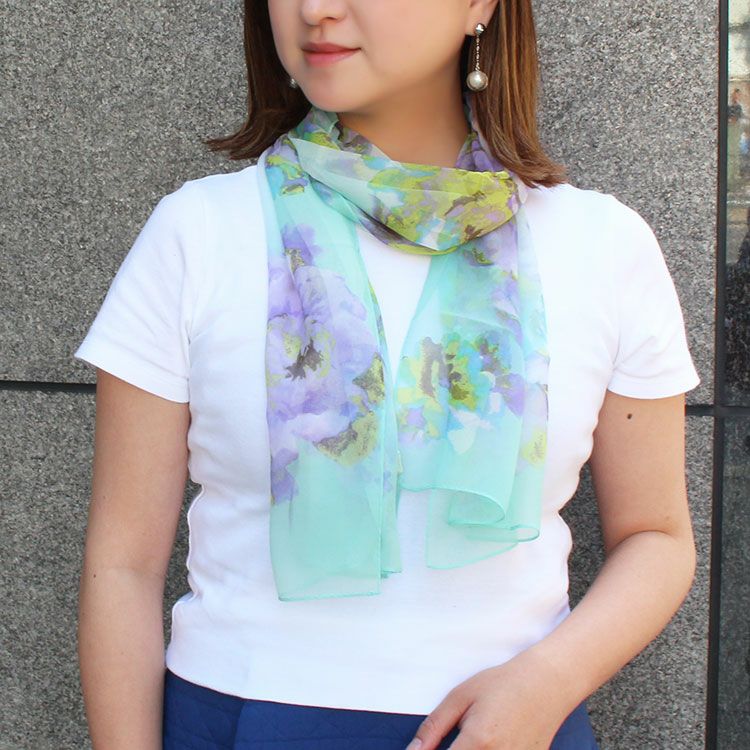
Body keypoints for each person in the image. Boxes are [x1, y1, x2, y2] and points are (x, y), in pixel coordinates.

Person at [74, 1, 701, 748]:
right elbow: (123, 565)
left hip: (513, 725)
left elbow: (657, 535)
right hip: (243, 715)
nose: (317, 10)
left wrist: (550, 680)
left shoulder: (603, 245)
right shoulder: (198, 232)